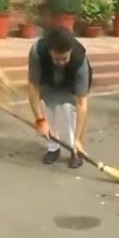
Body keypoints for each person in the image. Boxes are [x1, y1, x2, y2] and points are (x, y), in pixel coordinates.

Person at [27, 26, 91, 168]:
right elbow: (33, 87)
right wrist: (40, 121)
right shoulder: (37, 51)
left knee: (67, 109)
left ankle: (75, 150)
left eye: (65, 58)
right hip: (48, 82)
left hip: (69, 86)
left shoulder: (80, 60)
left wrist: (79, 138)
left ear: (71, 52)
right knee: (47, 108)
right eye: (57, 58)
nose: (61, 62)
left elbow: (82, 103)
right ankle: (53, 148)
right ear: (50, 51)